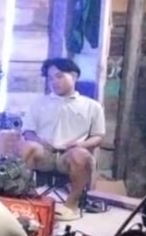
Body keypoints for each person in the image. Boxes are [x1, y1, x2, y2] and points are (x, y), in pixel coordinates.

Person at [18, 57, 106, 221]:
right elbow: (28, 131)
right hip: (44, 154)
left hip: (69, 155)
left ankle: (71, 205)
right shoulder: (38, 103)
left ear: (74, 76)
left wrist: (81, 144)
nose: (54, 82)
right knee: (26, 145)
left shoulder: (92, 106)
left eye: (59, 76)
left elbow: (98, 137)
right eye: (50, 78)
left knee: (80, 154)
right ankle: (26, 197)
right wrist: (40, 141)